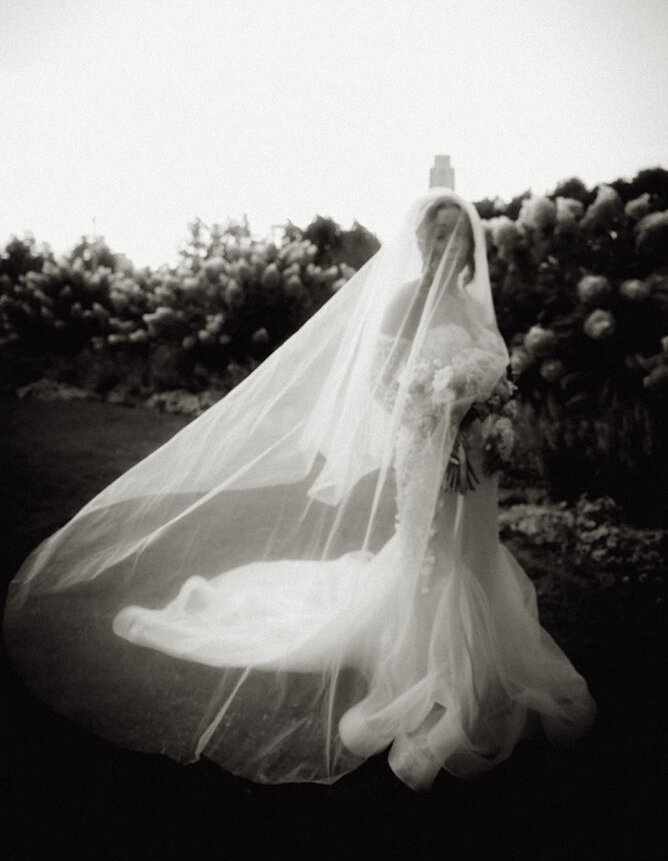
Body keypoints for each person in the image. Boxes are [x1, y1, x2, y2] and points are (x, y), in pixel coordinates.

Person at [3, 190, 595, 792]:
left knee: (471, 552)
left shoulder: (474, 308)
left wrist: (488, 419)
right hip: (425, 455)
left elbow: (499, 376)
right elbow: (383, 386)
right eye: (436, 235)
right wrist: (434, 411)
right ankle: (431, 656)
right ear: (422, 243)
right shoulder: (401, 304)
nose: (446, 245)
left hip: (476, 462)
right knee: (432, 553)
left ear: (471, 244)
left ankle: (482, 657)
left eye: (456, 235)